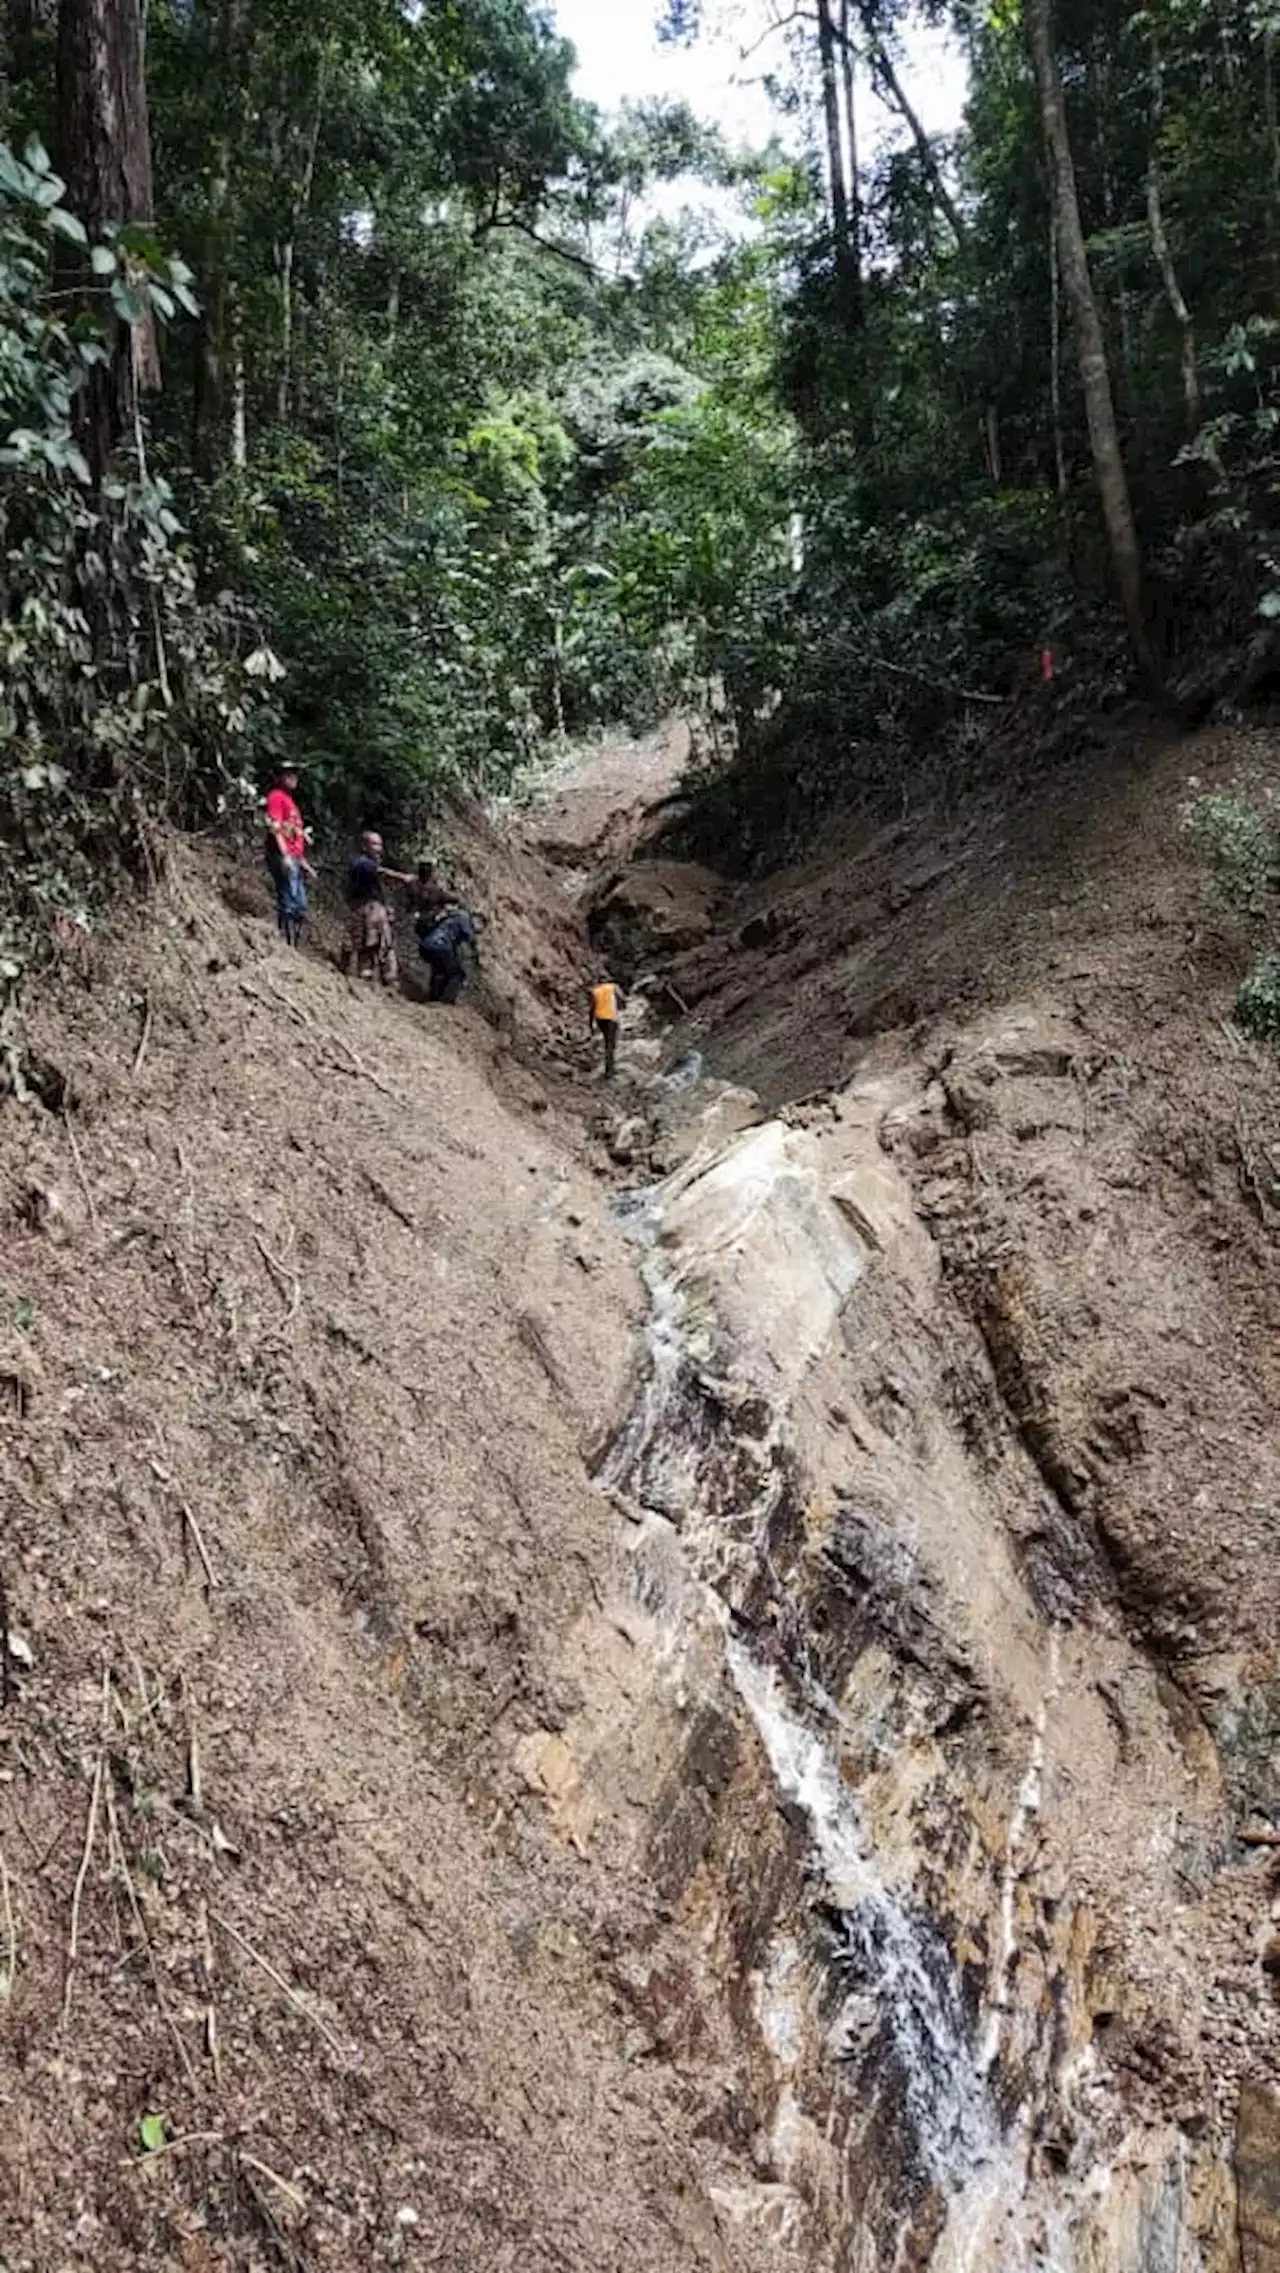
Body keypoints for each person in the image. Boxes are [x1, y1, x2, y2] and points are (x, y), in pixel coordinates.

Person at [340, 831, 413, 985]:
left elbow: (379, 885)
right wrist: (402, 877)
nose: (378, 848)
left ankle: (387, 979)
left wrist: (387, 907)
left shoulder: (372, 864)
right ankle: (363, 975)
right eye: (374, 844)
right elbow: (377, 872)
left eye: (379, 844)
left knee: (382, 942)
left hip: (374, 907)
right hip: (362, 908)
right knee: (365, 941)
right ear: (364, 846)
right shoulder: (359, 862)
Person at [263, 767, 315, 948]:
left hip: (294, 857)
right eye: (288, 774)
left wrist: (303, 862)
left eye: (295, 774)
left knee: (300, 905)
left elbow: (294, 835)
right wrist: (284, 855)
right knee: (288, 900)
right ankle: (286, 943)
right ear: (279, 777)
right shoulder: (276, 797)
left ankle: (292, 945)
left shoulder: (290, 803)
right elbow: (275, 828)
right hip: (282, 855)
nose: (294, 778)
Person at [417, 904, 476, 1004]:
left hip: (427, 945)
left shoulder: (450, 916)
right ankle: (445, 1001)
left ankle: (433, 998)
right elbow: (470, 937)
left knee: (440, 970)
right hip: (440, 946)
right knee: (457, 973)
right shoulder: (464, 917)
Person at [590, 975, 624, 1078]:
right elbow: (622, 999)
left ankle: (608, 1067)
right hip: (611, 1018)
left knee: (607, 1042)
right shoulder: (613, 987)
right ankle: (610, 1070)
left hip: (599, 1019)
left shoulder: (595, 991)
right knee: (611, 1045)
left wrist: (590, 1023)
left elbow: (592, 1008)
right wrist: (620, 1007)